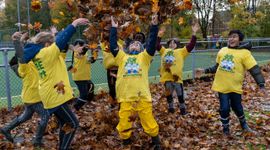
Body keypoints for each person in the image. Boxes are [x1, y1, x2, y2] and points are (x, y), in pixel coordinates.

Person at [22, 18, 89, 149]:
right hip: (55, 95)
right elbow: (60, 41)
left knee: (66, 124)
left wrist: (57, 35)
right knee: (73, 123)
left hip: (51, 93)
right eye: (51, 43)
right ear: (47, 44)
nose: (54, 45)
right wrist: (74, 24)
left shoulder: (40, 54)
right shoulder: (46, 53)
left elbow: (61, 44)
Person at [196, 30, 266, 135]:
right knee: (224, 108)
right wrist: (204, 71)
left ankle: (244, 125)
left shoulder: (245, 53)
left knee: (237, 107)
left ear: (239, 40)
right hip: (222, 86)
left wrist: (261, 84)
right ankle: (226, 130)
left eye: (234, 37)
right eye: (230, 37)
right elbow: (216, 67)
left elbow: (254, 69)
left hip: (235, 87)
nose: (231, 39)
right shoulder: (222, 50)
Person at [109, 14, 161, 149]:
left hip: (142, 96)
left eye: (138, 44)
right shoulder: (122, 57)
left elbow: (151, 44)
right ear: (128, 47)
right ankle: (126, 142)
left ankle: (156, 142)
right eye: (133, 43)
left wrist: (154, 26)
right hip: (126, 97)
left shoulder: (144, 58)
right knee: (124, 122)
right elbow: (113, 46)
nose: (135, 44)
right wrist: (114, 28)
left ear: (141, 49)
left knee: (148, 122)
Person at [0, 32, 49, 147]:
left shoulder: (34, 62)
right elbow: (22, 55)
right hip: (33, 98)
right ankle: (37, 140)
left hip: (31, 96)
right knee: (45, 115)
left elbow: (31, 49)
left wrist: (26, 40)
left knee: (25, 116)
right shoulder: (24, 66)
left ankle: (6, 129)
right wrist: (16, 41)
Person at [156, 23, 199, 115]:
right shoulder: (164, 51)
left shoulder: (181, 52)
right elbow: (156, 45)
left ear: (177, 44)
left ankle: (182, 109)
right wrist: (159, 36)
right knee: (168, 94)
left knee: (180, 94)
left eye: (174, 43)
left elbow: (191, 45)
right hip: (167, 78)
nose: (172, 44)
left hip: (176, 78)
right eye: (170, 43)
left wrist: (194, 33)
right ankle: (171, 107)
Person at [69, 39, 96, 110]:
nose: (80, 47)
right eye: (79, 46)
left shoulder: (84, 54)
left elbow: (90, 60)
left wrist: (94, 54)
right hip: (79, 77)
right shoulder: (76, 53)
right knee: (84, 95)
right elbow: (81, 54)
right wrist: (87, 46)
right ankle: (76, 107)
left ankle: (86, 103)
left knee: (91, 87)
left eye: (81, 45)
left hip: (85, 77)